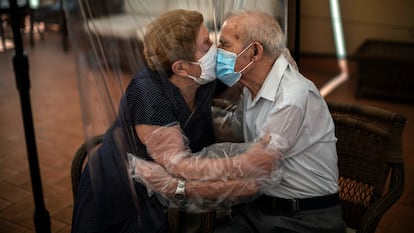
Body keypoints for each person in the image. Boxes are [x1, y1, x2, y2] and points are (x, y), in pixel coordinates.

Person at [71, 9, 280, 233]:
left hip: (173, 193)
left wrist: (276, 59)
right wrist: (247, 166)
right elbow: (180, 168)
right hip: (125, 194)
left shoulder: (202, 78)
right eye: (206, 44)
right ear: (180, 67)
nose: (215, 49)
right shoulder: (148, 93)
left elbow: (247, 72)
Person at [212, 10, 347, 233]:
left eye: (224, 45)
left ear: (254, 51)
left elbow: (255, 166)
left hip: (304, 218)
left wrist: (184, 182)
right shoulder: (250, 88)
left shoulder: (292, 97)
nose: (218, 53)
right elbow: (233, 132)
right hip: (261, 208)